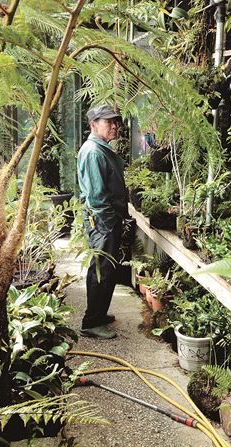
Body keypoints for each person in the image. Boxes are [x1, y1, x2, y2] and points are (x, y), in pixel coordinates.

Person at [77, 104, 128, 339]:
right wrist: (109, 222)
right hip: (102, 221)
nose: (115, 126)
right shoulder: (94, 152)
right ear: (94, 125)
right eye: (109, 122)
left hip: (107, 220)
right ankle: (91, 322)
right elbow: (96, 197)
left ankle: (98, 315)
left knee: (107, 268)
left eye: (115, 121)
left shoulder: (101, 148)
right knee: (101, 269)